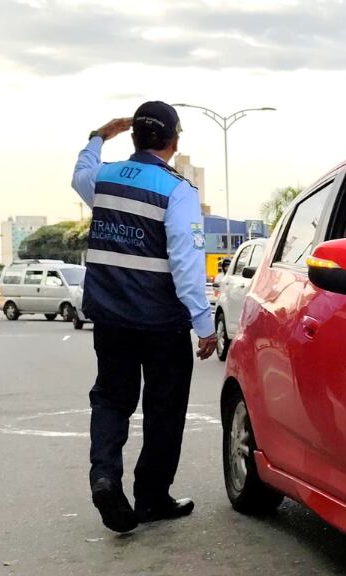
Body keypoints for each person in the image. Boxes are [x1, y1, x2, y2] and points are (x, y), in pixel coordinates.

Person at [71, 102, 217, 533]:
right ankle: (151, 498)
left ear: (132, 136)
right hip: (161, 322)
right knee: (164, 409)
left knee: (112, 399)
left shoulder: (104, 177)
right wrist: (204, 326)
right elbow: (187, 265)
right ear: (174, 139)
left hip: (110, 316)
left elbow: (80, 173)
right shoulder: (178, 190)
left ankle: (105, 478)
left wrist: (98, 136)